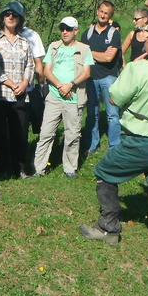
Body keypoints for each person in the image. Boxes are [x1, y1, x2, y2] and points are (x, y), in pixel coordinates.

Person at [79, 21, 148, 280]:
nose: (144, 37)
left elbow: (115, 98)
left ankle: (108, 229)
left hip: (141, 141)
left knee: (105, 172)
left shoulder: (140, 68)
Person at [32, 16, 94, 178]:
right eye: (62, 29)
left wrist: (70, 85)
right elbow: (47, 70)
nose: (64, 32)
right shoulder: (54, 47)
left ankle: (69, 168)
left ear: (76, 31)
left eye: (68, 29)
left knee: (72, 135)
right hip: (54, 95)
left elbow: (87, 72)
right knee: (46, 132)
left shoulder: (85, 49)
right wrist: (60, 85)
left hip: (74, 97)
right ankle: (39, 169)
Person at [0, 1, 35, 179]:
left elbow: (30, 64)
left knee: (20, 132)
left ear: (20, 19)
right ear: (2, 18)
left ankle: (21, 167)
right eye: (7, 14)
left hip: (20, 94)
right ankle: (4, 169)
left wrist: (24, 82)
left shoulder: (25, 42)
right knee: (0, 133)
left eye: (14, 15)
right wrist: (11, 83)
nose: (10, 17)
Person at [81, 0, 122, 155]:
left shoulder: (114, 34)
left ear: (110, 16)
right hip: (91, 78)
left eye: (107, 13)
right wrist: (99, 55)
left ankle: (114, 147)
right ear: (97, 11)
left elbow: (108, 58)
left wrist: (91, 53)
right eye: (102, 11)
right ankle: (92, 145)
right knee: (92, 113)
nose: (103, 15)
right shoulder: (87, 33)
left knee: (112, 114)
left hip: (108, 77)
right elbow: (83, 55)